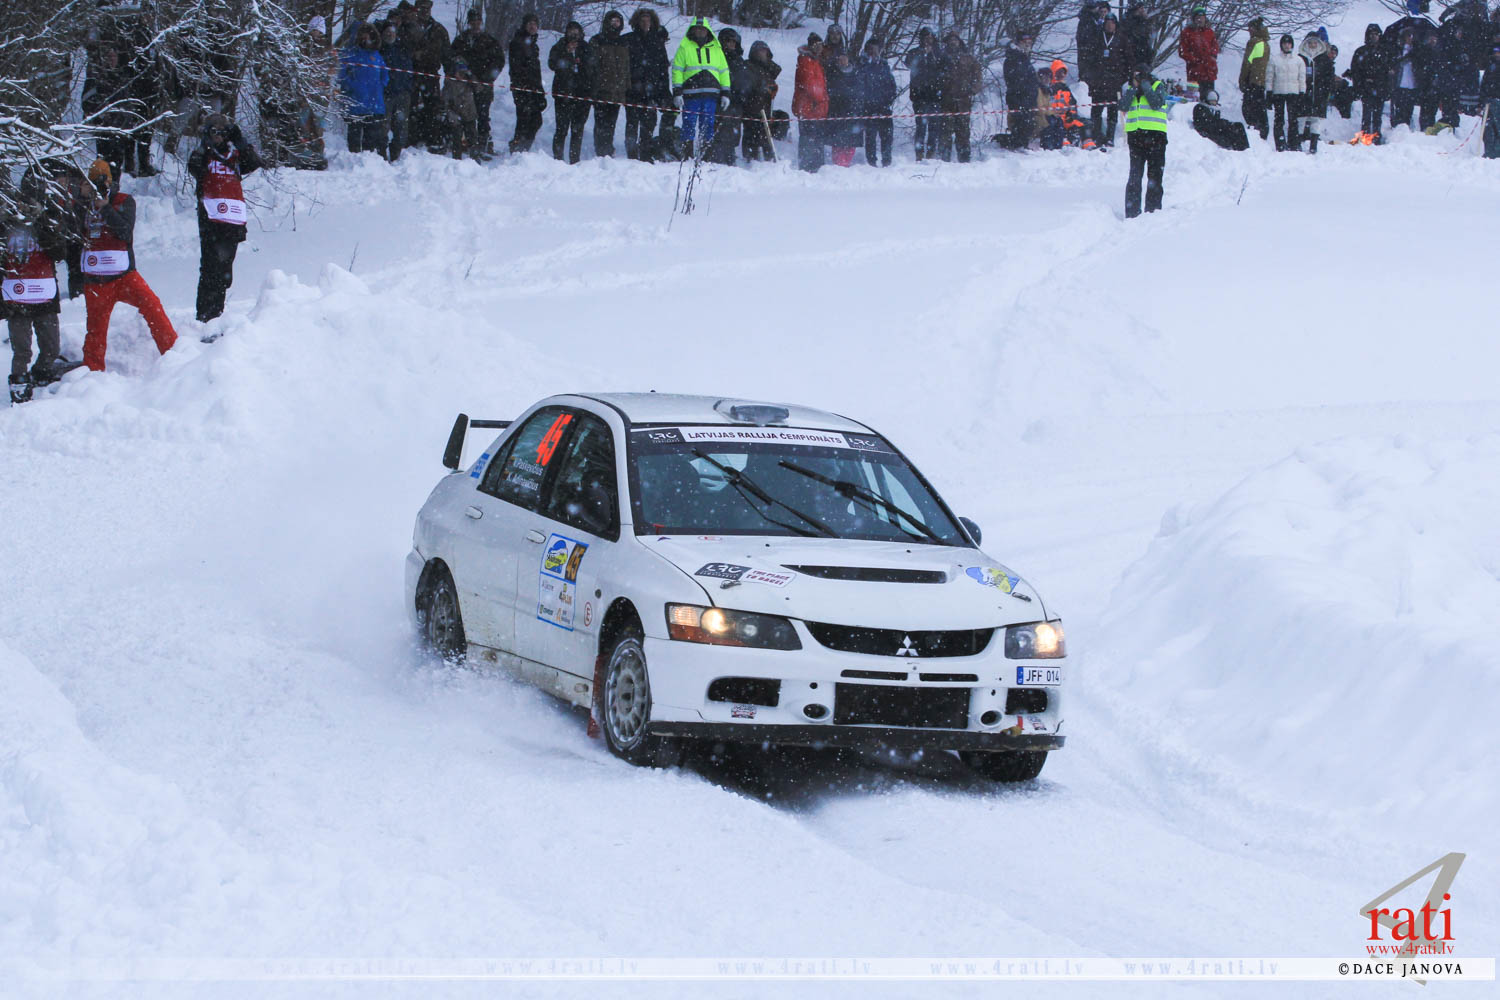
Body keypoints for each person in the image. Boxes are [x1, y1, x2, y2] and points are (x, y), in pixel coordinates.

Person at [78, 160, 176, 372]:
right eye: (93, 183)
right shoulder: (81, 204)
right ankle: (92, 373)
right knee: (95, 330)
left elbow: (124, 232)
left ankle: (174, 354)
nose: (99, 188)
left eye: (102, 182)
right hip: (95, 281)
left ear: (110, 182)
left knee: (153, 307)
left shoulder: (124, 201)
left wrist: (105, 208)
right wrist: (81, 199)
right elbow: (71, 233)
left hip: (125, 276)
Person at [186, 113, 261, 325]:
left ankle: (216, 313)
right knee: (210, 268)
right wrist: (205, 145)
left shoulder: (235, 156)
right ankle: (204, 316)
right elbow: (194, 168)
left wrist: (240, 141)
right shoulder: (204, 155)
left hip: (233, 219)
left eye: (222, 132)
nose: (218, 136)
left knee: (225, 270)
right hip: (211, 219)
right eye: (214, 131)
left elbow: (254, 162)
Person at [3, 200, 68, 403]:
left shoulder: (46, 224)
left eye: (28, 205)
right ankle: (19, 385)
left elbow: (60, 252)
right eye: (20, 205)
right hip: (16, 299)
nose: (23, 209)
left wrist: (41, 225)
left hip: (43, 295)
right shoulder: (4, 226)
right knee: (22, 350)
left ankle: (41, 373)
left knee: (51, 347)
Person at [671, 17, 730, 159]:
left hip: (711, 95)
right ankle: (687, 156)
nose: (700, 31)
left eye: (703, 29)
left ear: (707, 31)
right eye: (697, 29)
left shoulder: (716, 49)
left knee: (708, 126)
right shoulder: (684, 48)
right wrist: (677, 92)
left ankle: (706, 156)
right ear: (692, 30)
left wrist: (726, 93)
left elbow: (724, 71)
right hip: (690, 95)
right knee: (689, 124)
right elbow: (677, 70)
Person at [452, 9, 504, 155]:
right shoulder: (461, 40)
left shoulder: (490, 41)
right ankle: (467, 143)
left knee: (483, 115)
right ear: (469, 23)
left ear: (481, 22)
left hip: (483, 85)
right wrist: (462, 72)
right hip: (464, 85)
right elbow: (452, 58)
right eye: (472, 22)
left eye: (478, 22)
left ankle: (483, 144)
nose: (475, 25)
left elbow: (498, 62)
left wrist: (485, 79)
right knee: (465, 115)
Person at [625, 7, 673, 160]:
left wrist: (665, 92)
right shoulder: (629, 39)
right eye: (642, 20)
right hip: (633, 89)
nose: (645, 22)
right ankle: (631, 155)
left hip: (653, 90)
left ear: (653, 22)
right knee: (632, 123)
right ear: (637, 22)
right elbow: (622, 66)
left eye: (648, 20)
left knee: (649, 123)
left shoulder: (657, 41)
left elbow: (663, 69)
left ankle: (645, 154)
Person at [1120, 63, 1167, 218]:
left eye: (1139, 75)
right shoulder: (1131, 89)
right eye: (1135, 76)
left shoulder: (1158, 85)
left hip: (1156, 137)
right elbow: (1123, 106)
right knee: (1135, 176)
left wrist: (1146, 86)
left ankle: (1153, 212)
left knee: (1155, 177)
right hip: (1136, 137)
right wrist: (1133, 89)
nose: (1136, 79)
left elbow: (1156, 103)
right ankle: (1132, 212)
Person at [341, 23, 390, 157]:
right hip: (355, 103)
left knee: (371, 141)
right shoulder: (350, 54)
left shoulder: (377, 56)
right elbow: (342, 75)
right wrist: (353, 86)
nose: (365, 39)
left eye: (368, 36)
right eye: (363, 36)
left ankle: (368, 162)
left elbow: (385, 74)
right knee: (354, 140)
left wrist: (380, 86)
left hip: (374, 104)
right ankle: (354, 162)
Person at [408, 0, 450, 150]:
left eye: (427, 8)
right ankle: (410, 140)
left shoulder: (439, 30)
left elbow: (447, 55)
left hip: (431, 74)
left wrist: (450, 74)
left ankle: (433, 140)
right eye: (421, 8)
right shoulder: (408, 27)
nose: (424, 11)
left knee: (432, 108)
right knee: (410, 107)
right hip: (411, 73)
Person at [589, 11, 632, 158]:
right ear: (607, 23)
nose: (615, 24)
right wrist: (593, 86)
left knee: (611, 122)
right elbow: (591, 66)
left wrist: (627, 87)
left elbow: (627, 67)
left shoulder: (623, 42)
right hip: (601, 89)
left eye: (617, 21)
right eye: (612, 21)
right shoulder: (597, 40)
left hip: (618, 90)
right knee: (601, 122)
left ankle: (608, 148)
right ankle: (600, 150)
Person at [549, 22, 592, 163]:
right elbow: (552, 64)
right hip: (563, 94)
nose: (573, 35)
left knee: (577, 130)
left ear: (580, 33)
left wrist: (581, 63)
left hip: (582, 94)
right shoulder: (559, 46)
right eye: (571, 32)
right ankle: (558, 160)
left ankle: (575, 160)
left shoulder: (586, 47)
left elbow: (592, 68)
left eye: (576, 32)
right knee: (561, 129)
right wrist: (566, 54)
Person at [707, 28, 750, 165]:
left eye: (733, 41)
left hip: (736, 103)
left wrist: (742, 94)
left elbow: (744, 81)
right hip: (719, 101)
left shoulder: (739, 60)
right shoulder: (716, 58)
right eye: (728, 40)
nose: (731, 44)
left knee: (733, 135)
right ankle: (715, 160)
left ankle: (730, 159)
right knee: (718, 134)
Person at [938, 32, 982, 162]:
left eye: (955, 40)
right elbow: (935, 76)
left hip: (964, 101)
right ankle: (944, 160)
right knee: (945, 133)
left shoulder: (968, 58)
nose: (953, 42)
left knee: (963, 133)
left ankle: (964, 160)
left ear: (959, 42)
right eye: (950, 40)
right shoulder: (941, 57)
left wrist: (972, 90)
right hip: (946, 101)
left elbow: (978, 76)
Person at [853, 39, 897, 166]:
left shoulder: (884, 65)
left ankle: (887, 161)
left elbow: (892, 85)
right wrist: (865, 102)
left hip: (884, 107)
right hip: (869, 108)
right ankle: (871, 162)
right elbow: (859, 86)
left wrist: (888, 99)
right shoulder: (862, 65)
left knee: (887, 136)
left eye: (876, 49)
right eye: (871, 49)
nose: (874, 52)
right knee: (870, 137)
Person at [508, 13, 545, 153]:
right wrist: (522, 85)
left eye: (535, 24)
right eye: (529, 23)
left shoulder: (534, 45)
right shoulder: (518, 42)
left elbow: (535, 71)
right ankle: (518, 148)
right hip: (523, 88)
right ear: (524, 25)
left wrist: (539, 90)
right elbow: (516, 67)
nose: (532, 26)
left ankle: (523, 148)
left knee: (535, 120)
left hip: (534, 88)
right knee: (524, 120)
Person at [1347, 23, 1391, 142]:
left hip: (1380, 87)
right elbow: (1355, 71)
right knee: (1366, 114)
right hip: (1366, 87)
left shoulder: (1385, 52)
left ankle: (1376, 137)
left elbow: (1388, 71)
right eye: (1371, 34)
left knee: (1377, 115)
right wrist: (1359, 86)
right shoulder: (1361, 51)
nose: (1373, 36)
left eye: (1376, 34)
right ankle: (1365, 136)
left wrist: (1387, 87)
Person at [793, 34, 829, 171]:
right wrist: (821, 99)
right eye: (816, 45)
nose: (819, 48)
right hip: (808, 108)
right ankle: (807, 168)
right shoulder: (805, 60)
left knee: (817, 140)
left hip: (816, 109)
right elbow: (809, 84)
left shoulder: (816, 61)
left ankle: (817, 167)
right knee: (808, 139)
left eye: (821, 45)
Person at [907, 28, 944, 160]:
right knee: (920, 127)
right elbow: (909, 63)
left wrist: (933, 56)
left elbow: (946, 67)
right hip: (919, 95)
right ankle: (919, 154)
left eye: (930, 37)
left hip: (935, 95)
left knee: (934, 127)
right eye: (925, 37)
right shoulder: (914, 52)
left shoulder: (939, 53)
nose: (927, 40)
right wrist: (922, 54)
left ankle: (931, 154)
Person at [742, 41, 781, 161]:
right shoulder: (748, 66)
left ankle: (768, 157)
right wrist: (762, 89)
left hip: (766, 105)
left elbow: (771, 79)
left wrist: (771, 89)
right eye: (760, 51)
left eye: (764, 51)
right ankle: (750, 158)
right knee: (751, 131)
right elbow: (747, 85)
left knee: (765, 132)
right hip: (752, 106)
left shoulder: (768, 67)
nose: (762, 54)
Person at [381, 22, 416, 159]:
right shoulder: (380, 49)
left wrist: (408, 87)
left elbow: (409, 70)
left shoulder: (402, 49)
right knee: (383, 126)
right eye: (387, 33)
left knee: (401, 127)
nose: (390, 35)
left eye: (392, 33)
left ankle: (396, 155)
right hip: (385, 94)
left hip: (402, 93)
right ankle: (381, 155)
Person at [1266, 33, 1306, 151]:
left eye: (1289, 43)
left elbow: (1302, 78)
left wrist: (1302, 92)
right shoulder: (1274, 59)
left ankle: (1293, 143)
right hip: (1278, 93)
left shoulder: (1298, 60)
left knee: (1293, 119)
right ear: (1281, 45)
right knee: (1279, 119)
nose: (1287, 46)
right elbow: (1269, 77)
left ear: (1292, 45)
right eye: (1284, 43)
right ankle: (1280, 143)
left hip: (1293, 93)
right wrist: (1269, 92)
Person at [1092, 13, 1127, 147]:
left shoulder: (1121, 39)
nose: (1109, 25)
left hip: (1114, 82)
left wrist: (1122, 78)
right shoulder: (1097, 38)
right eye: (1107, 23)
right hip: (1098, 81)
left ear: (1115, 25)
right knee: (1096, 110)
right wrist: (1091, 77)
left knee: (1113, 111)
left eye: (1112, 23)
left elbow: (1128, 60)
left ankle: (1110, 137)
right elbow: (1089, 58)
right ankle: (1097, 136)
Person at [1004, 30, 1039, 149]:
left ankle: (1022, 145)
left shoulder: (1025, 58)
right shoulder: (1013, 58)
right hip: (1018, 98)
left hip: (1028, 98)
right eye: (1025, 42)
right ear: (1018, 43)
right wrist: (1022, 95)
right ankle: (1015, 146)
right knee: (1020, 125)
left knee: (1028, 125)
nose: (1028, 45)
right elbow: (1014, 80)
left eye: (1030, 42)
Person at [1299, 30, 1333, 152]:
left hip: (1319, 93)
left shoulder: (1325, 59)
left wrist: (1326, 92)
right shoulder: (1300, 58)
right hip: (1303, 93)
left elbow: (1329, 78)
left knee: (1316, 120)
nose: (1312, 45)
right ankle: (1298, 143)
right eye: (1310, 43)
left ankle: (1313, 145)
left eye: (1315, 43)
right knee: (1301, 118)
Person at [443, 60, 483, 159]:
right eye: (459, 73)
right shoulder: (449, 83)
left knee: (472, 138)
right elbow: (445, 101)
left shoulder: (469, 82)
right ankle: (456, 160)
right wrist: (451, 114)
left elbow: (479, 88)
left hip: (470, 114)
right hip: (456, 115)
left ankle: (475, 159)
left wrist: (472, 77)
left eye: (463, 73)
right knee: (456, 139)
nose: (461, 75)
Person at [1177, 7, 1220, 100]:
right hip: (1194, 72)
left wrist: (1212, 56)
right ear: (1193, 19)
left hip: (1209, 72)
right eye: (1197, 18)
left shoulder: (1210, 32)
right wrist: (1194, 60)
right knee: (1194, 99)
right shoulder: (1187, 32)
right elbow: (1182, 51)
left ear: (1205, 18)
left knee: (1209, 98)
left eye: (1202, 17)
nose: (1200, 20)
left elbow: (1215, 46)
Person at [1239, 16, 1271, 140]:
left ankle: (1256, 134)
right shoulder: (1265, 44)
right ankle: (1262, 133)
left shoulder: (1254, 42)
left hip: (1252, 81)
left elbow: (1247, 63)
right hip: (1261, 82)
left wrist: (1242, 80)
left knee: (1248, 109)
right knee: (1260, 110)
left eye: (1250, 29)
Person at [1389, 27, 1421, 129]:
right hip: (1400, 83)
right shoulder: (1398, 49)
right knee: (1399, 107)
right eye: (1408, 36)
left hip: (1412, 83)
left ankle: (1406, 126)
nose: (1410, 38)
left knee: (1409, 108)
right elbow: (1394, 63)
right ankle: (1399, 126)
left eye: (1412, 36)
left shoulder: (1417, 50)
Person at [1481, 45, 1500, 157]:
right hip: (1489, 101)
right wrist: (1483, 98)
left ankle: (1496, 153)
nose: (1497, 55)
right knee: (1488, 128)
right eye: (1495, 52)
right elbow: (1484, 83)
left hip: (1497, 101)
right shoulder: (1490, 66)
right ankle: (1489, 152)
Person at [1327, 45, 1356, 118]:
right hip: (1327, 92)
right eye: (1331, 53)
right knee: (1345, 94)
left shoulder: (1330, 64)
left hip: (1331, 89)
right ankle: (1345, 116)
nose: (1333, 55)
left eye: (1335, 54)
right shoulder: (1324, 63)